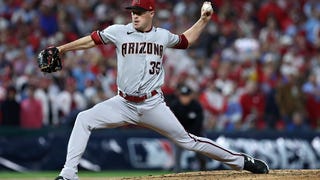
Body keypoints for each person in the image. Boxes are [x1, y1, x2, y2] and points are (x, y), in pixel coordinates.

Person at [49, 1, 269, 179]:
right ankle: (68, 173)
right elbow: (91, 41)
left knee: (189, 141)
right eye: (133, 11)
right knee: (83, 119)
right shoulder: (119, 31)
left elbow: (186, 41)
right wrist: (61, 49)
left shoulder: (162, 36)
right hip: (123, 103)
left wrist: (203, 20)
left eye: (140, 12)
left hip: (152, 104)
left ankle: (243, 162)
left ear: (151, 13)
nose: (135, 16)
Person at [170, 84, 206, 172]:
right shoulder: (175, 105)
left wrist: (190, 135)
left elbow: (199, 123)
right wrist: (182, 134)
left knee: (201, 152)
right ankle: (177, 171)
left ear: (191, 96)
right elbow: (172, 122)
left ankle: (203, 169)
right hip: (180, 134)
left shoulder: (196, 106)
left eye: (186, 96)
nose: (184, 98)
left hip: (195, 134)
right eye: (182, 96)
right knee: (177, 151)